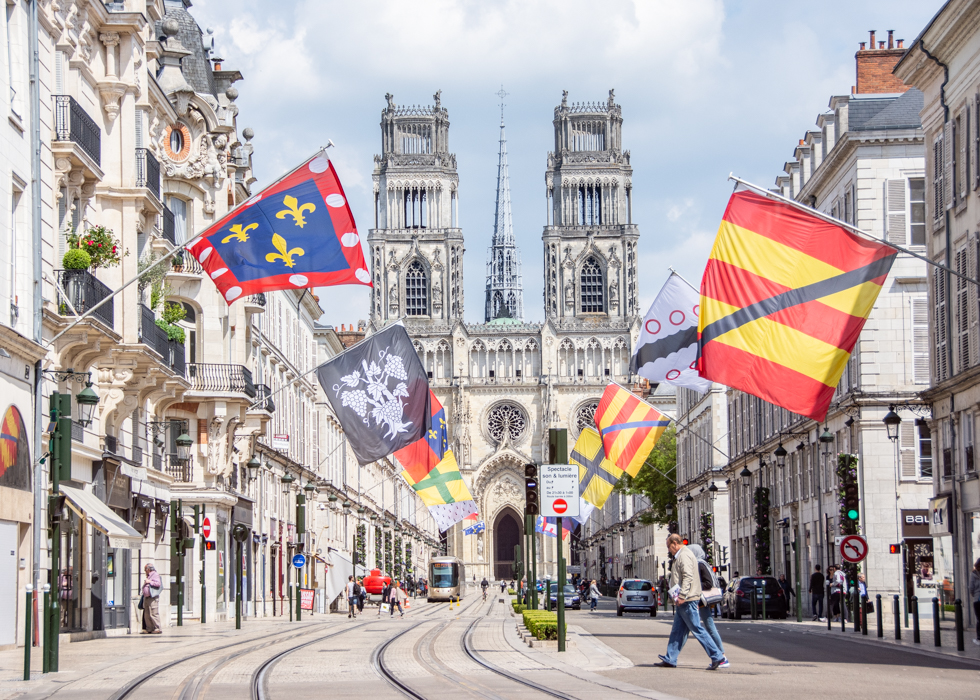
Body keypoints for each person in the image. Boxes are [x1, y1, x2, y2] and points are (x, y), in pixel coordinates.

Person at [654, 534, 726, 670]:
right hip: (685, 600)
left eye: (669, 546)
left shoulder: (684, 555)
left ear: (675, 543)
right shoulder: (682, 555)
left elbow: (688, 577)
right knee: (677, 631)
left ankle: (717, 656)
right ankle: (670, 658)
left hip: (687, 599)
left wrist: (682, 595)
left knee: (697, 629)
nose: (669, 550)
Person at [674, 545, 729, 667]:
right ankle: (671, 656)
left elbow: (708, 583)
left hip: (701, 601)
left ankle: (722, 656)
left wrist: (696, 587)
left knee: (708, 627)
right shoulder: (702, 563)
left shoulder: (699, 564)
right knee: (701, 627)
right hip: (700, 600)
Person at [140, 563, 163, 634]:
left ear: (148, 569)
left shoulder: (155, 575)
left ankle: (157, 628)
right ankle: (149, 628)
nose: (145, 571)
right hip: (146, 597)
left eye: (145, 570)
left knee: (153, 613)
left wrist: (149, 582)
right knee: (147, 614)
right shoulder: (149, 576)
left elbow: (158, 584)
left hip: (152, 597)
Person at [969, 558, 980, 646]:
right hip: (977, 599)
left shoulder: (973, 574)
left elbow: (971, 588)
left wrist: (974, 595)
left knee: (979, 619)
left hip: (977, 600)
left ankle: (979, 638)